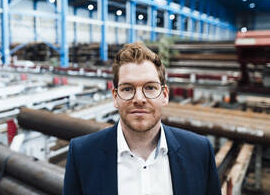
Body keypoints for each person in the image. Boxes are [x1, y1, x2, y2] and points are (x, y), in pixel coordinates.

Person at [63, 42, 221, 195]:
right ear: (115, 97)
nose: (139, 99)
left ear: (164, 95)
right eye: (127, 88)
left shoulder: (199, 151)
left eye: (150, 87)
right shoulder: (82, 154)